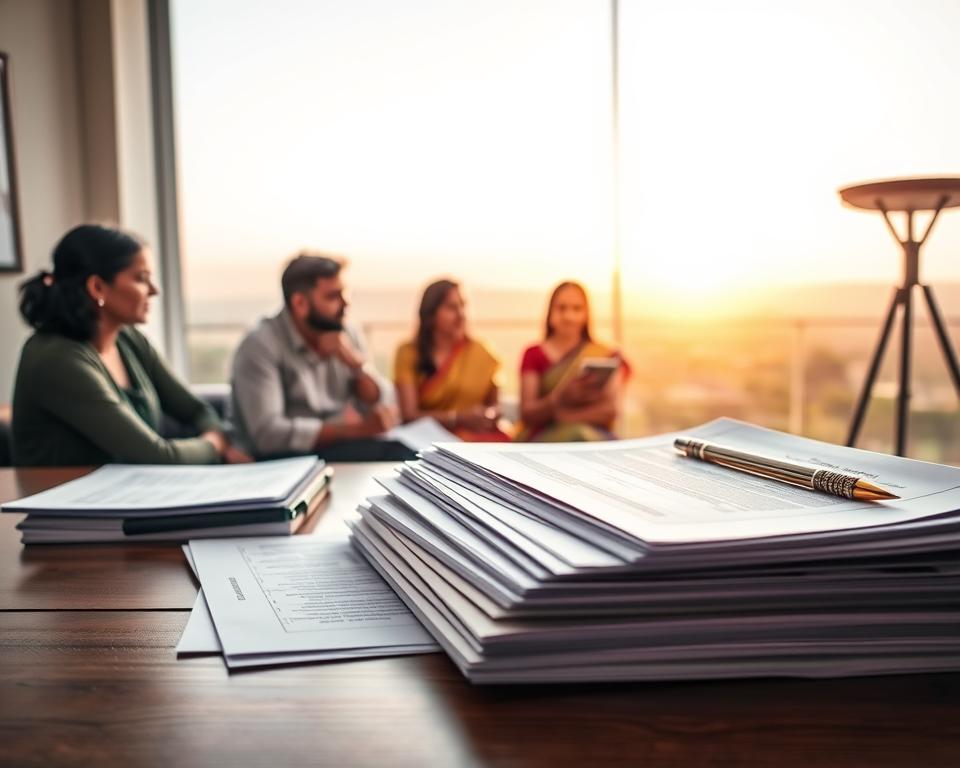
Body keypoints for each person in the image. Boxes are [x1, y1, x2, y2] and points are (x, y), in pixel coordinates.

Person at [11, 224, 250, 466]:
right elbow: (158, 456)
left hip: (126, 493)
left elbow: (198, 410)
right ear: (97, 288)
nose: (154, 291)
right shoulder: (56, 359)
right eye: (141, 279)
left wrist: (214, 434)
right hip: (63, 498)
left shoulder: (128, 339)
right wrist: (216, 444)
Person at [231, 253, 415, 461]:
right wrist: (357, 430)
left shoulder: (346, 332)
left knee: (407, 451)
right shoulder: (260, 345)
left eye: (346, 294)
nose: (346, 304)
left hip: (333, 449)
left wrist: (356, 365)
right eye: (333, 297)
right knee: (397, 454)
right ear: (300, 303)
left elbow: (385, 407)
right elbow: (268, 435)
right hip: (279, 460)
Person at [394, 279, 510, 442]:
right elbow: (409, 415)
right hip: (424, 441)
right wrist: (457, 418)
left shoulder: (483, 353)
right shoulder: (408, 352)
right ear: (430, 314)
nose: (461, 314)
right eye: (451, 307)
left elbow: (495, 407)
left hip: (476, 439)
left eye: (463, 306)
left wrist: (488, 415)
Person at [515, 280, 628, 442]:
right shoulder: (533, 354)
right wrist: (558, 399)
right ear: (550, 313)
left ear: (586, 314)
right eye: (562, 308)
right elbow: (527, 413)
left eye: (577, 309)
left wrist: (566, 417)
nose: (569, 316)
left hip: (592, 435)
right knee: (578, 434)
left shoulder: (606, 354)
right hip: (544, 437)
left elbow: (610, 410)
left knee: (582, 435)